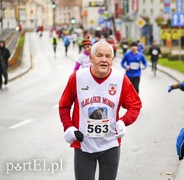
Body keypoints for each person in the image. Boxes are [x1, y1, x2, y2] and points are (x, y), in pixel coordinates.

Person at [58, 41, 142, 180]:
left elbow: (135, 105)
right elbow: (64, 105)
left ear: (112, 60)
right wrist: (69, 128)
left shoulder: (120, 79)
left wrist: (123, 121)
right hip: (83, 145)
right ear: (91, 58)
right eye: (99, 55)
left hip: (110, 145)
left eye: (108, 56)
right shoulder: (77, 78)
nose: (104, 60)